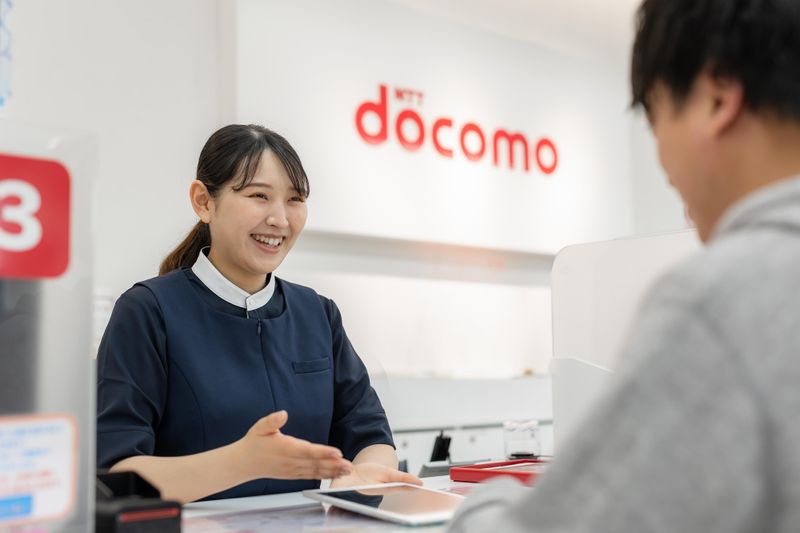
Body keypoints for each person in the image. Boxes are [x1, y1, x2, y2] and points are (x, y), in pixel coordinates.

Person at [449, 0, 800, 531]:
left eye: (656, 118)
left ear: (717, 97)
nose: (663, 164)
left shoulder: (718, 301)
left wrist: (481, 500)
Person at [96, 124, 420, 503]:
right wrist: (241, 462)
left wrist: (364, 473)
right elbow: (116, 473)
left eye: (295, 199)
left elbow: (370, 435)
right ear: (203, 202)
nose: (280, 219)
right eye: (259, 196)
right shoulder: (148, 311)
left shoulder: (318, 314)